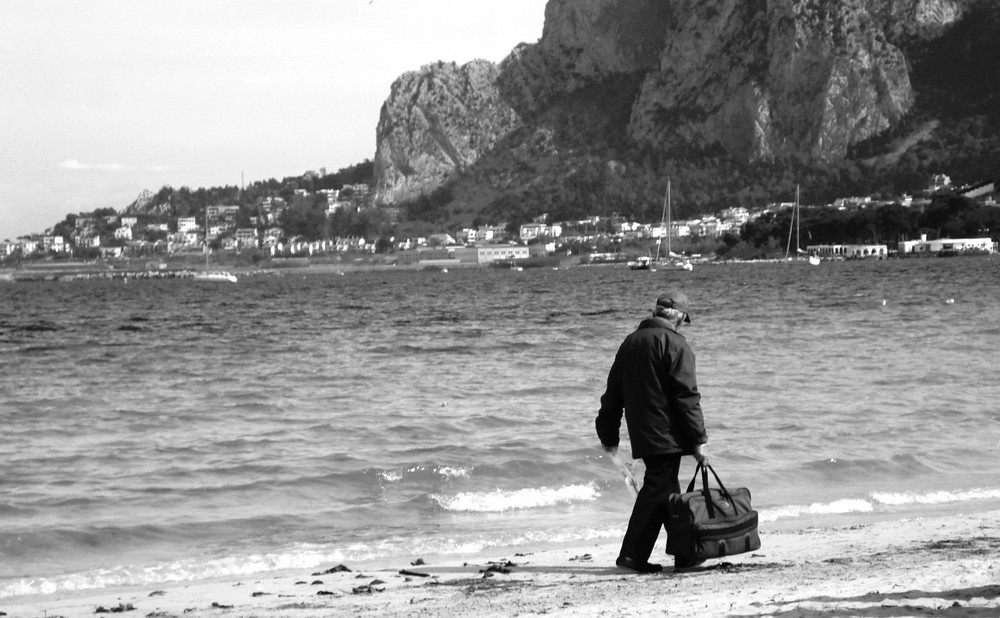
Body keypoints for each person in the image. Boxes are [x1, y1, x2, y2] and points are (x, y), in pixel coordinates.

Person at [596, 289, 709, 574]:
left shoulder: (629, 343)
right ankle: (632, 556)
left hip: (643, 435)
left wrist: (608, 435)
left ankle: (687, 554)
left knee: (667, 491)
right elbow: (687, 397)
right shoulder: (676, 345)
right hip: (666, 435)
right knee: (659, 489)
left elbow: (612, 396)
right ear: (680, 317)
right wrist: (699, 441)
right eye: (684, 319)